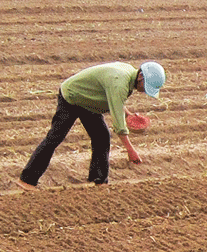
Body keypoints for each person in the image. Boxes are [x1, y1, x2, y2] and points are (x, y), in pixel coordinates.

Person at [16, 61, 166, 190]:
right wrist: (130, 150)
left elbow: (114, 99)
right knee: (55, 137)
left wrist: (128, 114)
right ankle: (27, 180)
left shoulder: (128, 76)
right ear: (141, 76)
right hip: (72, 96)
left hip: (88, 102)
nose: (146, 91)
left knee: (101, 136)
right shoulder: (119, 80)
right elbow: (118, 124)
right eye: (147, 87)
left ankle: (98, 180)